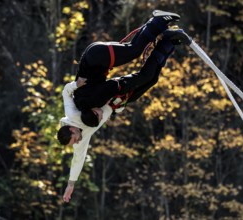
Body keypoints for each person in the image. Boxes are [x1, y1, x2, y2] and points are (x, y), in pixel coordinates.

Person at [57, 12, 191, 203]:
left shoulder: (72, 113)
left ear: (71, 129)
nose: (77, 142)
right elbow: (78, 159)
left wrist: (75, 85)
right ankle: (168, 41)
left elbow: (65, 91)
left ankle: (159, 20)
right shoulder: (83, 132)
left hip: (94, 58)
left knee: (133, 51)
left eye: (74, 139)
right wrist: (71, 184)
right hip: (106, 82)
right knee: (149, 78)